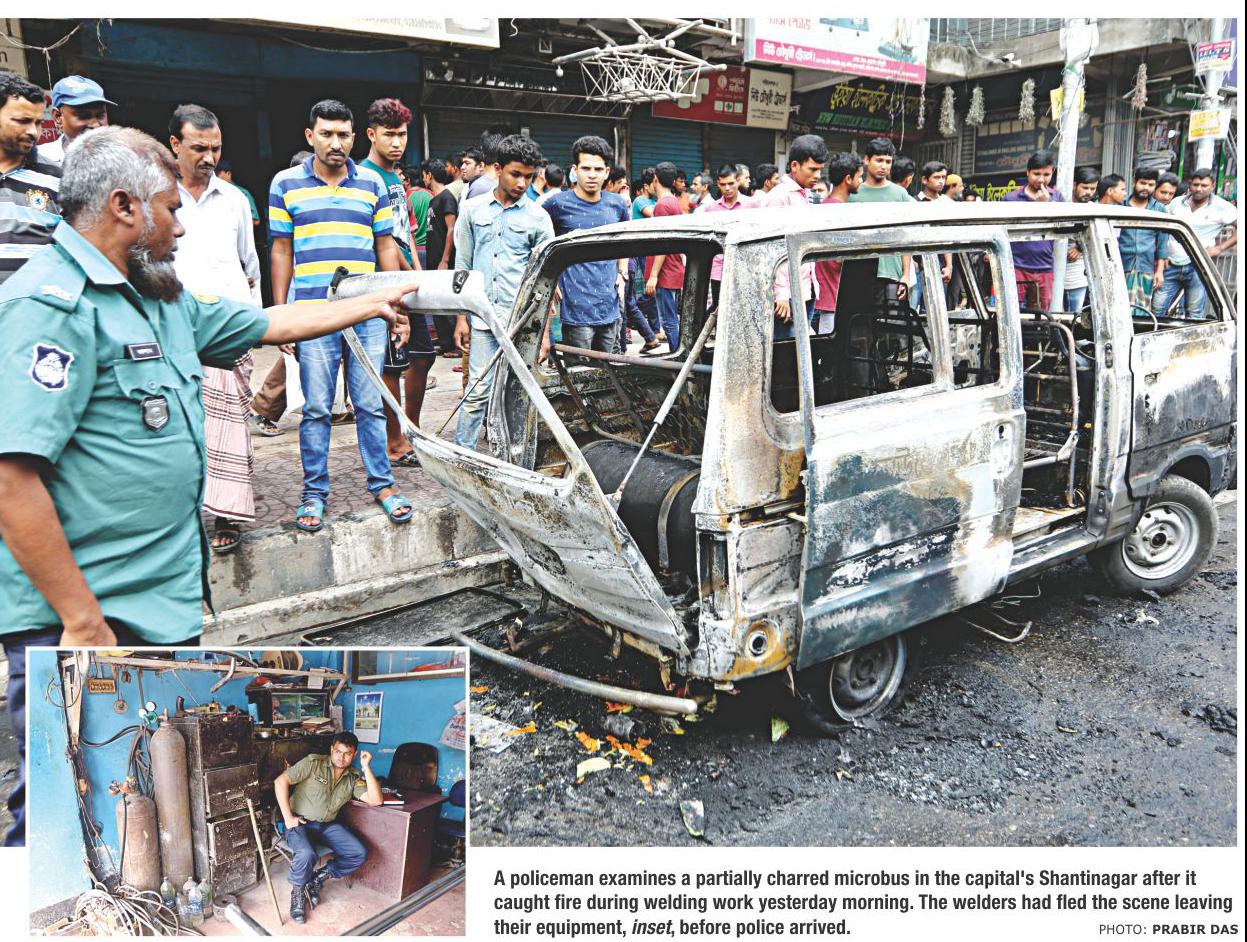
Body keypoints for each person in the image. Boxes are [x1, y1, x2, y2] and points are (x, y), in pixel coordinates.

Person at [0, 126, 416, 848]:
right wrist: (82, 622)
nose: (182, 224)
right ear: (124, 206)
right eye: (171, 208)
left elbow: (267, 321)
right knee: (59, 808)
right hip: (83, 612)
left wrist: (374, 300)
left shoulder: (157, 297)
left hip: (157, 601)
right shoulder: (49, 305)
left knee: (133, 783)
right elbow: (11, 477)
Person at [269, 99, 413, 533]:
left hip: (366, 313)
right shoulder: (285, 184)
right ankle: (314, 492)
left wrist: (395, 307)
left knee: (369, 404)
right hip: (312, 314)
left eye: (343, 135)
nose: (336, 143)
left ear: (355, 137)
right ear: (310, 136)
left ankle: (383, 485)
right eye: (326, 134)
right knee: (316, 408)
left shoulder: (372, 184)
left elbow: (386, 246)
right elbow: (281, 250)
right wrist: (283, 313)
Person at [168, 104, 263, 555]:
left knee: (230, 425)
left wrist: (256, 321)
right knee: (180, 424)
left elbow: (249, 263)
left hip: (227, 327)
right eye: (198, 148)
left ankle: (227, 512)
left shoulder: (234, 199)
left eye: (216, 148)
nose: (209, 157)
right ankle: (183, 512)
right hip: (175, 325)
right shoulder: (157, 195)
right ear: (175, 145)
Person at [453, 134, 553, 450]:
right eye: (515, 174)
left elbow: (548, 280)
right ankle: (463, 456)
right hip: (483, 319)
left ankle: (517, 456)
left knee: (520, 392)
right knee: (477, 392)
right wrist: (461, 318)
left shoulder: (539, 217)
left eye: (529, 177)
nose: (522, 183)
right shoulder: (472, 210)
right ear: (497, 169)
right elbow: (462, 267)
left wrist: (545, 333)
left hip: (523, 321)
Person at [359, 99, 438, 468]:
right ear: (371, 134)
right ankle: (394, 442)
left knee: (424, 356)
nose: (396, 142)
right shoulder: (365, 177)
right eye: (388, 134)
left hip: (408, 279)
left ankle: (412, 430)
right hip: (384, 282)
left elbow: (406, 234)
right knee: (392, 365)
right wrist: (409, 274)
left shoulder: (395, 178)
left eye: (402, 134)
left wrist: (418, 273)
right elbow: (385, 241)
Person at [275, 732, 383, 924]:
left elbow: (376, 800)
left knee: (358, 852)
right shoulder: (313, 763)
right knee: (307, 854)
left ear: (354, 754)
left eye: (347, 753)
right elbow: (280, 781)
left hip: (327, 825)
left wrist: (366, 767)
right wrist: (288, 817)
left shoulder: (353, 777)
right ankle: (298, 892)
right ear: (331, 749)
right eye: (338, 751)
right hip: (299, 822)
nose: (342, 757)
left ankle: (317, 878)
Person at [543, 135, 630, 353]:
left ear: (607, 172)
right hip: (576, 307)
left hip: (610, 304)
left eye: (598, 169)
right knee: (579, 368)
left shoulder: (617, 204)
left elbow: (627, 242)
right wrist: (551, 280)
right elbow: (540, 243)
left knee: (610, 366)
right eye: (586, 168)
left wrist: (622, 273)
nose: (592, 175)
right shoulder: (556, 205)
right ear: (575, 170)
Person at [760, 134, 827, 338]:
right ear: (795, 166)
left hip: (806, 288)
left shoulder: (805, 194)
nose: (817, 175)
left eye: (820, 170)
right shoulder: (779, 197)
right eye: (812, 169)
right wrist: (780, 294)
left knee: (799, 348)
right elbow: (772, 248)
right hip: (786, 295)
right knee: (786, 351)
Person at [841, 137, 912, 321]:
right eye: (879, 160)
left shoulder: (900, 194)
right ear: (867, 160)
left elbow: (906, 237)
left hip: (892, 273)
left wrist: (906, 275)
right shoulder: (853, 193)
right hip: (858, 273)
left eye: (888, 161)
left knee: (891, 327)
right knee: (859, 325)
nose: (884, 166)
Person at [1, 72, 62, 286]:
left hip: (37, 303)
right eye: (23, 121)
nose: (33, 132)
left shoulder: (56, 176)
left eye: (38, 123)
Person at [1152, 168, 1237, 319]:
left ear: (1212, 186)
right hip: (1170, 263)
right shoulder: (1177, 203)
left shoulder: (1222, 207)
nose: (1199, 189)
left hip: (1198, 266)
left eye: (1204, 185)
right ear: (1190, 185)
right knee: (1157, 309)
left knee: (1194, 313)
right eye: (1196, 184)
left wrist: (1220, 248)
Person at [1003, 149, 1065, 309]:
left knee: (1041, 315)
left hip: (1045, 267)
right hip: (1015, 265)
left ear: (1052, 173)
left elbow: (1064, 225)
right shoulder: (1012, 199)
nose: (1041, 179)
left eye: (1046, 174)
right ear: (1028, 172)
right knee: (1011, 311)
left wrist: (1048, 204)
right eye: (1036, 174)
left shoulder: (1056, 198)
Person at [811, 152, 863, 334]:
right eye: (859, 176)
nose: (861, 181)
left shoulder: (822, 208)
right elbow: (841, 258)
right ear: (848, 179)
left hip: (823, 298)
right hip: (832, 300)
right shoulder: (841, 214)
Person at [643, 161, 688, 348]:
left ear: (655, 179)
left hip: (666, 272)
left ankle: (677, 358)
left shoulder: (662, 205)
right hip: (673, 269)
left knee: (669, 321)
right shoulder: (674, 202)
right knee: (672, 319)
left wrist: (654, 275)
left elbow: (663, 243)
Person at [422, 157, 460, 359]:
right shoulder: (433, 200)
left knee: (447, 302)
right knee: (436, 302)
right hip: (433, 261)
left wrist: (444, 260)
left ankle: (454, 346)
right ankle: (445, 344)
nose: (423, 179)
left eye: (424, 175)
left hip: (443, 262)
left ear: (429, 175)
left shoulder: (446, 198)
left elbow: (451, 229)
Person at [701, 163, 754, 309]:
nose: (727, 188)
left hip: (745, 269)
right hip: (718, 270)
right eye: (723, 184)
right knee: (719, 310)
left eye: (731, 183)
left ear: (738, 181)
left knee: (743, 309)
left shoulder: (752, 205)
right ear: (718, 183)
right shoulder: (710, 209)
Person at [1118, 167, 1169, 310]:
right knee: (1120, 306)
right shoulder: (1122, 206)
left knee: (1142, 309)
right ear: (1134, 182)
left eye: (1150, 184)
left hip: (1146, 267)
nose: (1146, 188)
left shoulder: (1158, 209)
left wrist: (1159, 271)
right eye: (1142, 183)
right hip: (1121, 265)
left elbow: (1162, 242)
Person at [36, 75, 113, 165]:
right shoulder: (39, 159)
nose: (95, 125)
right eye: (84, 116)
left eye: (101, 115)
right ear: (57, 116)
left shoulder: (120, 158)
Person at [1063, 166, 1100, 313]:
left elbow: (1097, 236)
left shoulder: (1093, 209)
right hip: (1053, 268)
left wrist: (1080, 247)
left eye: (1092, 189)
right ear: (1074, 185)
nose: (1089, 192)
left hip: (1077, 272)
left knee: (1075, 314)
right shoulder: (1062, 203)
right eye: (1085, 187)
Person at [216, 159, 260, 231]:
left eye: (217, 173)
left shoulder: (242, 193)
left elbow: (255, 221)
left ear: (228, 174)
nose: (214, 177)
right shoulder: (210, 193)